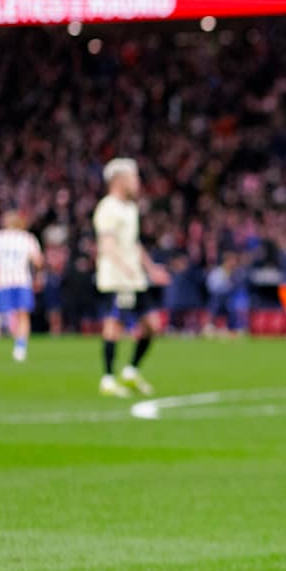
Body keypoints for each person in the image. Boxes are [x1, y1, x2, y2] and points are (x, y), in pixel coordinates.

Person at [94, 158, 170, 397]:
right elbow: (107, 244)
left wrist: (151, 268)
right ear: (119, 180)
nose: (137, 182)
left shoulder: (130, 208)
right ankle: (107, 379)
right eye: (133, 177)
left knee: (152, 325)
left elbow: (134, 244)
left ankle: (130, 372)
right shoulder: (108, 207)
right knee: (114, 325)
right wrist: (124, 267)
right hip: (116, 278)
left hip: (135, 278)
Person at [0, 210, 44, 362]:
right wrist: (37, 275)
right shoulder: (27, 238)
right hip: (22, 280)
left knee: (9, 314)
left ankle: (14, 340)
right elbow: (38, 261)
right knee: (23, 314)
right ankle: (20, 346)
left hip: (3, 281)